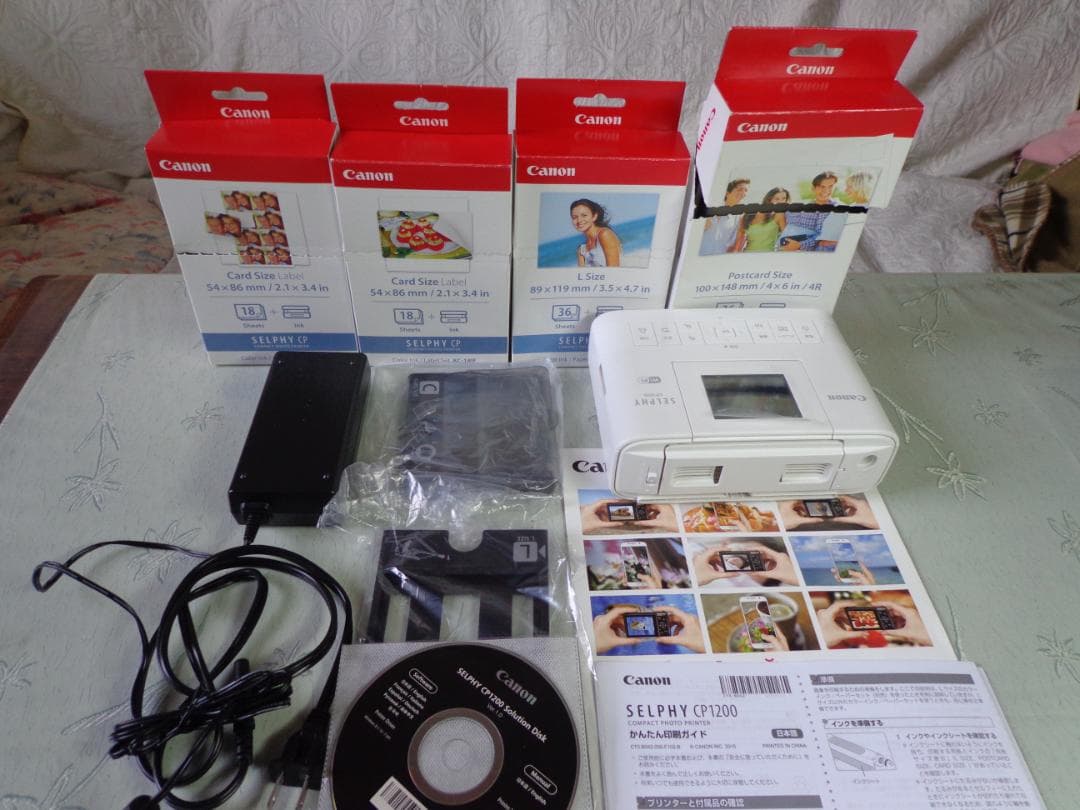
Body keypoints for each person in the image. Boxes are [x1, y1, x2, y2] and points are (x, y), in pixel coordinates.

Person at [778, 171, 838, 252]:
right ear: (813, 188)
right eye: (822, 187)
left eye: (830, 186)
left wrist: (800, 245)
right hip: (784, 247)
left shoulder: (833, 209)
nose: (826, 190)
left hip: (804, 252)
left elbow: (821, 237)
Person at [700, 178, 749, 255]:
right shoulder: (709, 208)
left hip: (715, 259)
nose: (743, 193)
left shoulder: (738, 219)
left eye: (746, 190)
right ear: (727, 193)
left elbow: (733, 246)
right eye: (740, 189)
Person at [734, 187, 789, 252]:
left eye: (784, 198)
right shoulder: (748, 215)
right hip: (747, 255)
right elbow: (739, 241)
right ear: (769, 199)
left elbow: (787, 240)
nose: (781, 202)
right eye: (777, 199)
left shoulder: (780, 215)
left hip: (768, 256)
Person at [571, 199, 621, 267]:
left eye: (584, 215)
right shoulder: (581, 250)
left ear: (594, 216)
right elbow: (581, 273)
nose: (579, 220)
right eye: (574, 217)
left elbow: (614, 269)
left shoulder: (604, 234)